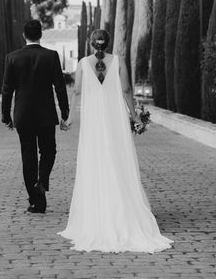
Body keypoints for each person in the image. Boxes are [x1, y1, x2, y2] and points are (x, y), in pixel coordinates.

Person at [58, 29, 173, 253]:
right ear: (108, 43)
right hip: (114, 119)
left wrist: (70, 118)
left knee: (94, 162)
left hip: (93, 122)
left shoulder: (83, 63)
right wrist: (135, 117)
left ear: (92, 44)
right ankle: (123, 212)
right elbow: (127, 90)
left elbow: (78, 93)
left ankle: (95, 215)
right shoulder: (118, 61)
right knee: (118, 160)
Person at [2, 20, 69, 214]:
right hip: (46, 114)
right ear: (41, 35)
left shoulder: (12, 58)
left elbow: (7, 90)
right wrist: (65, 112)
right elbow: (60, 86)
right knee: (49, 151)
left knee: (28, 155)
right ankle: (42, 180)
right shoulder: (51, 56)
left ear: (24, 35)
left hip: (23, 115)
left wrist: (6, 116)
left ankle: (36, 201)